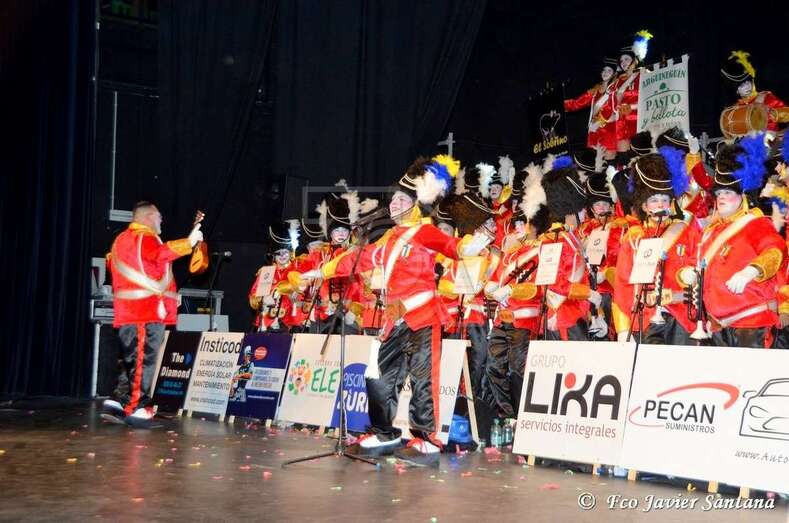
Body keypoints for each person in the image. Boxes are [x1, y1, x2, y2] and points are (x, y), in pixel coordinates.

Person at [292, 155, 489, 466]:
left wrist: (472, 245)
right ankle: (386, 433)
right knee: (379, 376)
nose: (394, 205)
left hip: (423, 315)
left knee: (424, 378)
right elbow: (360, 257)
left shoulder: (425, 231)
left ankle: (427, 438)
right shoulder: (389, 237)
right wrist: (322, 271)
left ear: (415, 203)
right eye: (394, 200)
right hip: (394, 319)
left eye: (401, 200)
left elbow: (452, 248)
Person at [104, 201, 202, 424]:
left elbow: (144, 271)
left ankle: (120, 400)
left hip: (129, 311)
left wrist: (167, 296)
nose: (161, 220)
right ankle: (137, 406)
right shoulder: (144, 238)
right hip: (144, 311)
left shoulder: (120, 240)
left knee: (130, 359)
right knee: (143, 359)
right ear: (148, 217)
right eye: (158, 216)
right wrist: (188, 243)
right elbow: (159, 255)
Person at [695, 135, 787, 347]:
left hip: (751, 325)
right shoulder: (711, 231)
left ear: (742, 195)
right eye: (719, 193)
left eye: (728, 192)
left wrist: (750, 271)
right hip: (716, 327)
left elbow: (776, 252)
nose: (722, 197)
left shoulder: (755, 223)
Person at [612, 153, 699, 344]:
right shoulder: (634, 239)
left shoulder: (686, 230)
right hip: (646, 320)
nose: (660, 204)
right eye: (653, 200)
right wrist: (623, 329)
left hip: (681, 318)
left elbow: (700, 267)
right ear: (643, 206)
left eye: (664, 199)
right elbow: (622, 284)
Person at [483, 162, 548, 420]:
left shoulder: (543, 250)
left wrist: (511, 290)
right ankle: (510, 416)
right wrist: (491, 288)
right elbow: (496, 280)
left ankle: (525, 419)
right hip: (503, 318)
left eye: (523, 224)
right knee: (493, 368)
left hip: (526, 320)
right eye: (517, 224)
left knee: (518, 370)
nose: (518, 229)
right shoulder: (511, 255)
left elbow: (539, 288)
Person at [248, 220, 301, 332]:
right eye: (278, 252)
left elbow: (302, 295)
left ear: (290, 253)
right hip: (265, 324)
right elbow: (253, 298)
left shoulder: (296, 271)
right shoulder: (267, 272)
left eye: (285, 252)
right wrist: (262, 299)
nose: (282, 256)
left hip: (288, 324)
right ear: (273, 255)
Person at [564, 57, 620, 160]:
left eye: (609, 70)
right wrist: (560, 104)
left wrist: (598, 122)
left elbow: (611, 109)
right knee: (594, 163)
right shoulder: (594, 91)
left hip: (608, 132)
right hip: (593, 134)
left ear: (614, 74)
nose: (605, 73)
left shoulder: (614, 90)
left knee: (609, 164)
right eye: (604, 70)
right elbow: (577, 103)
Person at [721, 51, 788, 133]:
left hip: (769, 142)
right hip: (745, 144)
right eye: (742, 86)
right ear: (736, 91)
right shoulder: (735, 108)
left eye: (747, 82)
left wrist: (772, 113)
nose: (747, 86)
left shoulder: (766, 97)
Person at [613, 30, 653, 163]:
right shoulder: (618, 80)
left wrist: (632, 106)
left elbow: (652, 98)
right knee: (625, 162)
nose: (623, 62)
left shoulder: (645, 74)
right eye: (621, 60)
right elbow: (613, 102)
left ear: (634, 60)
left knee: (642, 158)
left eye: (627, 59)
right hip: (622, 123)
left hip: (640, 121)